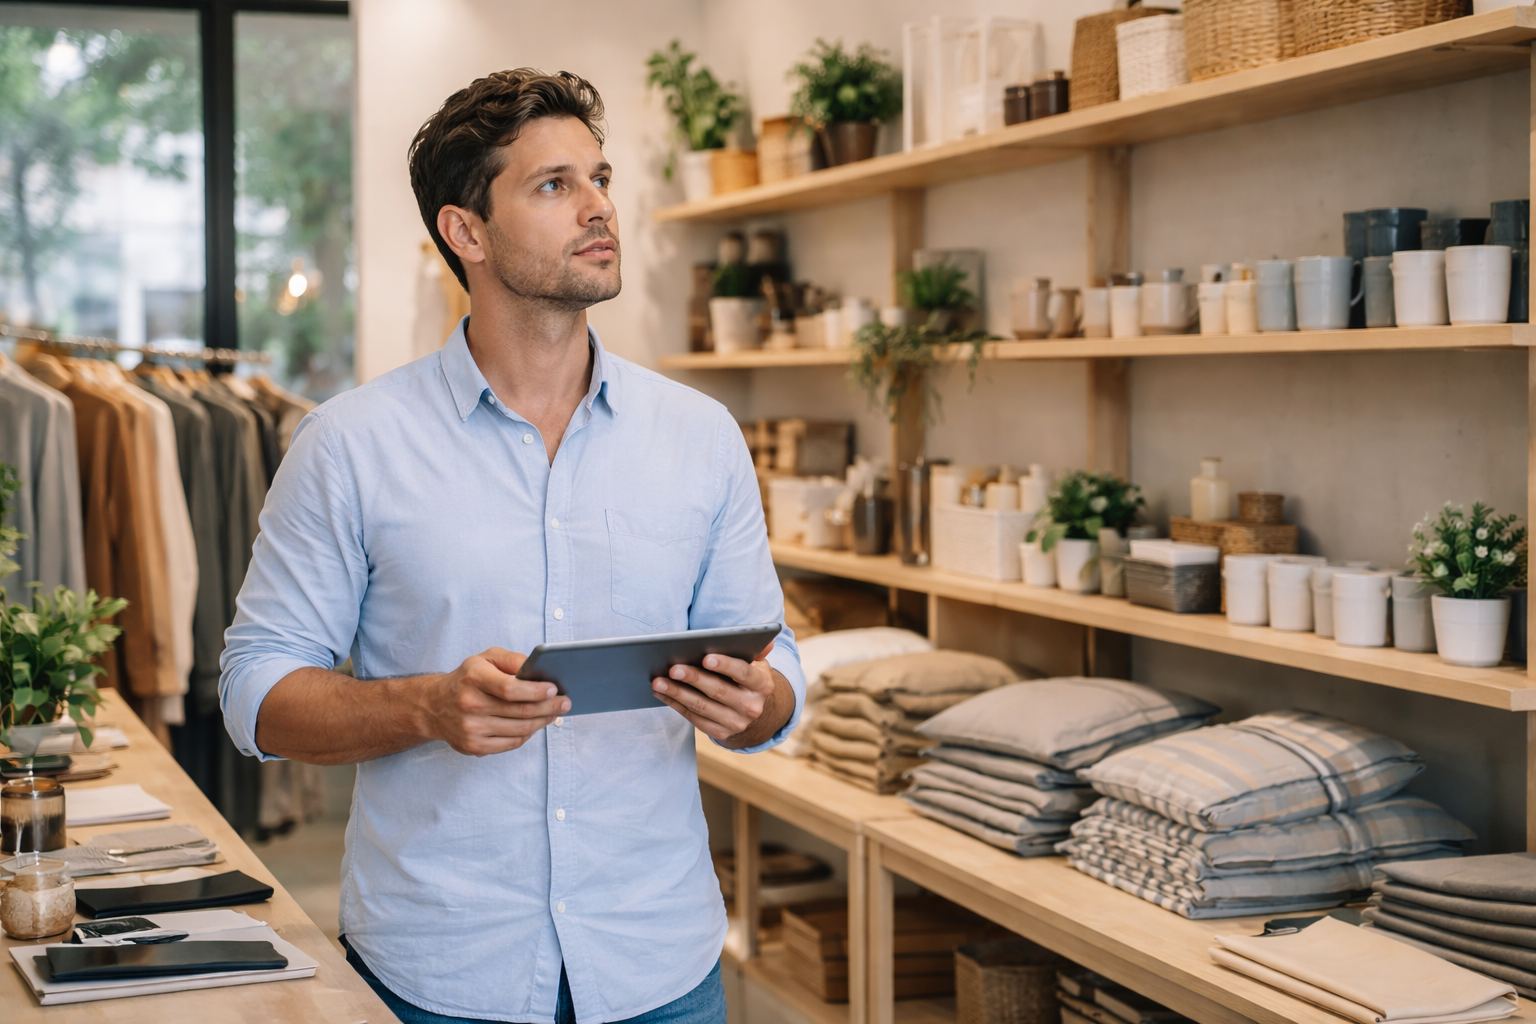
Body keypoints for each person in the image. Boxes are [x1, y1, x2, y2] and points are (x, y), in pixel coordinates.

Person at [220, 68, 803, 1024]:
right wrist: (427, 706)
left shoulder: (701, 437)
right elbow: (255, 692)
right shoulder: (350, 444)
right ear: (467, 232)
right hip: (440, 973)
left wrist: (759, 702)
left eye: (600, 177)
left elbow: (771, 662)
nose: (598, 206)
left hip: (659, 965)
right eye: (554, 185)